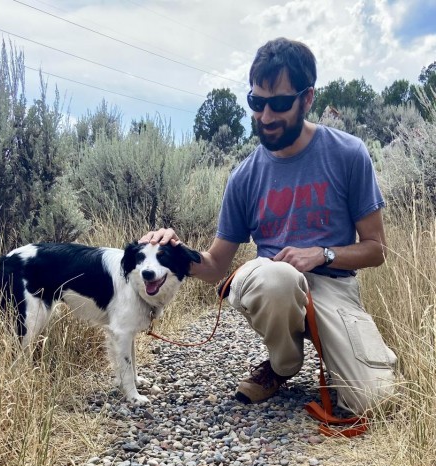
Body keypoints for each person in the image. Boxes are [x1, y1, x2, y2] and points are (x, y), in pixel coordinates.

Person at [140, 37, 397, 415]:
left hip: (335, 286)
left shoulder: (348, 153)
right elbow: (214, 267)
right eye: (256, 103)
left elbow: (377, 250)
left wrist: (322, 254)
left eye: (278, 104)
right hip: (273, 282)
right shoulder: (244, 176)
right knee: (276, 278)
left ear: (307, 98)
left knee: (377, 403)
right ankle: (282, 366)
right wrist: (171, 252)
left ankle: (367, 358)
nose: (266, 116)